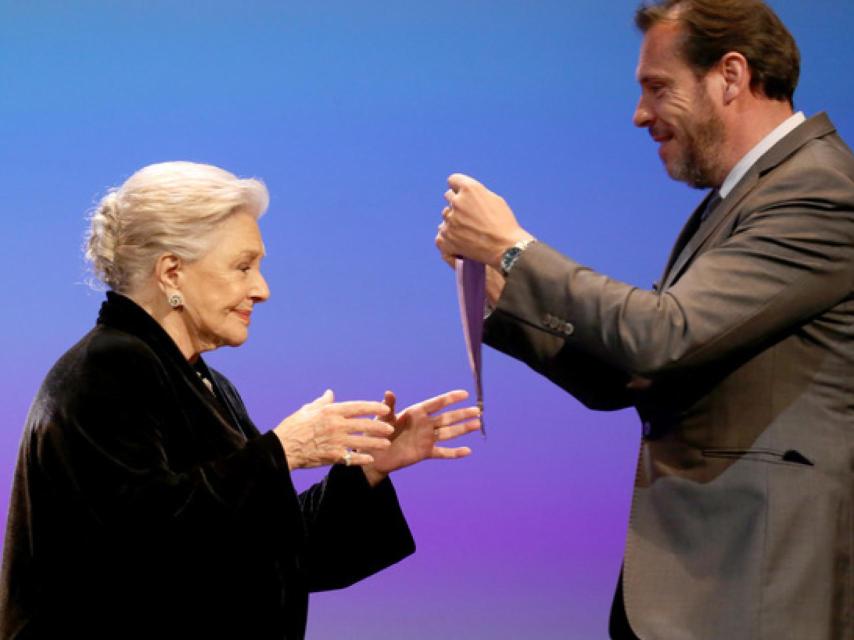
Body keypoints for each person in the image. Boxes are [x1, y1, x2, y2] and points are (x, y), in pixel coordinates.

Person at [435, 1, 853, 639]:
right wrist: (503, 293)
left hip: (758, 589)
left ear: (731, 76)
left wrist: (515, 248)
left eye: (659, 89)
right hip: (703, 589)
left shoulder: (819, 191)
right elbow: (631, 376)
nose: (641, 115)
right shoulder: (741, 199)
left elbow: (662, 334)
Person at [0, 161, 481, 639]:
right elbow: (145, 548)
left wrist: (367, 471)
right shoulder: (104, 371)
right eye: (243, 266)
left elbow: (268, 553)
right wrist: (281, 452)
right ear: (172, 273)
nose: (262, 289)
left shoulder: (199, 380)